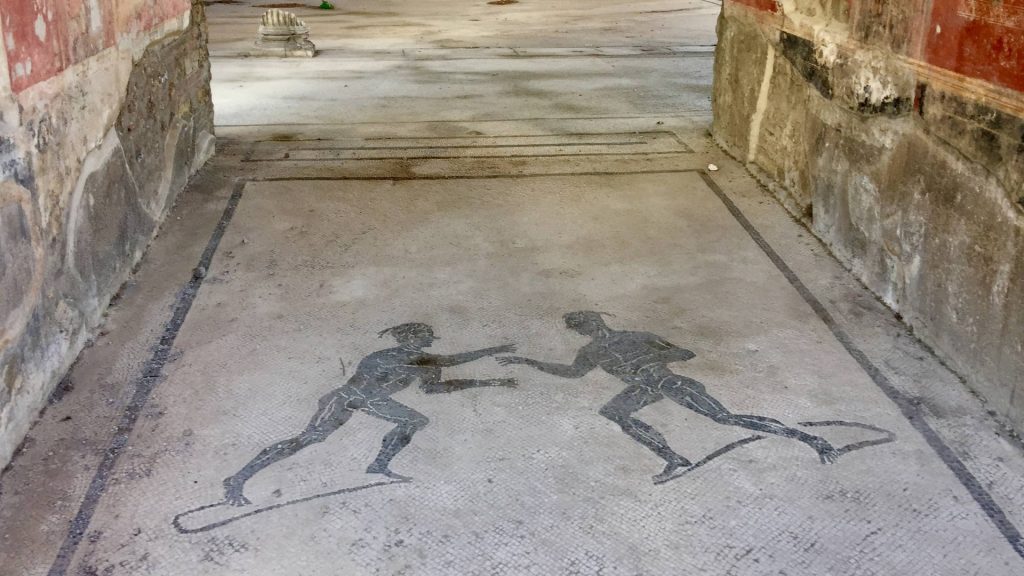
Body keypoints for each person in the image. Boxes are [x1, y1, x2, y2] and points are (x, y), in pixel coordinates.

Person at [498, 311, 838, 483]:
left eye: (582, 325)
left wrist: (650, 359)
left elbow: (683, 353)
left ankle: (810, 439)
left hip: (668, 382)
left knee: (724, 418)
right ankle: (673, 458)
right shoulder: (591, 352)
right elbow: (572, 373)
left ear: (594, 321)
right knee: (614, 411)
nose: (582, 331)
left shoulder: (637, 336)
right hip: (646, 387)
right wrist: (528, 361)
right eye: (578, 329)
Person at [223, 323, 516, 505]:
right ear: (410, 339)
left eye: (429, 338)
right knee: (310, 438)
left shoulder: (426, 363)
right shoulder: (388, 355)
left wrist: (488, 382)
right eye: (425, 337)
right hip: (344, 399)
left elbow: (433, 389)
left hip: (371, 400)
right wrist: (492, 349)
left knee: (415, 420)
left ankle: (378, 465)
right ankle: (237, 479)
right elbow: (447, 361)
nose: (429, 341)